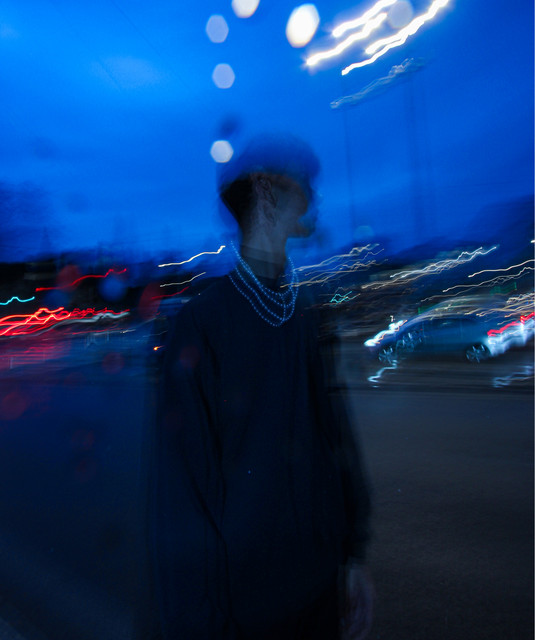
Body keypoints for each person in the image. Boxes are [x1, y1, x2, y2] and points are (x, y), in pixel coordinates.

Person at [152, 135, 372, 639]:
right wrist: (199, 623)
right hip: (246, 612)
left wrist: (352, 555)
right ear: (268, 194)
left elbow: (335, 439)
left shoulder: (306, 312)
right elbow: (181, 493)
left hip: (320, 589)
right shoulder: (203, 324)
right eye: (304, 184)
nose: (315, 196)